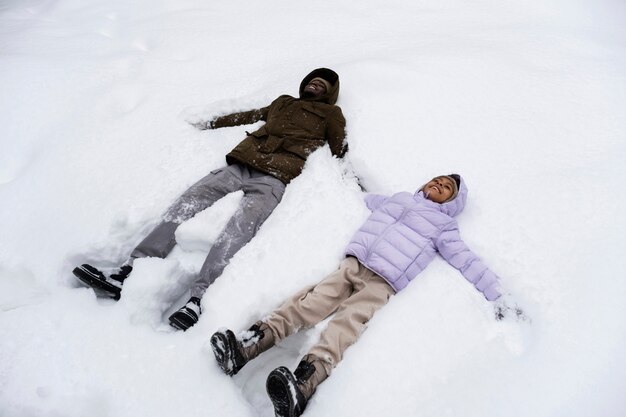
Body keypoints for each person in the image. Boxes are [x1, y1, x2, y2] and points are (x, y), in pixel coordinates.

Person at [210, 174, 525, 417]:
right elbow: (366, 196)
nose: (439, 184)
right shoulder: (398, 199)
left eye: (447, 188)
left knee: (345, 325)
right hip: (353, 264)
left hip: (382, 282)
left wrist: (499, 296)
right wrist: (345, 175)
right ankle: (247, 347)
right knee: (310, 303)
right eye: (437, 179)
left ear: (453, 203)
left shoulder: (444, 227)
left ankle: (303, 385)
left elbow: (468, 260)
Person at [72, 68, 348, 331]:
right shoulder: (283, 103)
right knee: (187, 203)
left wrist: (351, 178)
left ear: (329, 93)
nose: (315, 85)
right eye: (313, 81)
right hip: (241, 164)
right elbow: (250, 115)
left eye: (322, 85)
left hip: (274, 177)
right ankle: (127, 270)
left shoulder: (331, 114)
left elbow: (339, 147)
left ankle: (197, 300)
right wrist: (213, 122)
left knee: (239, 230)